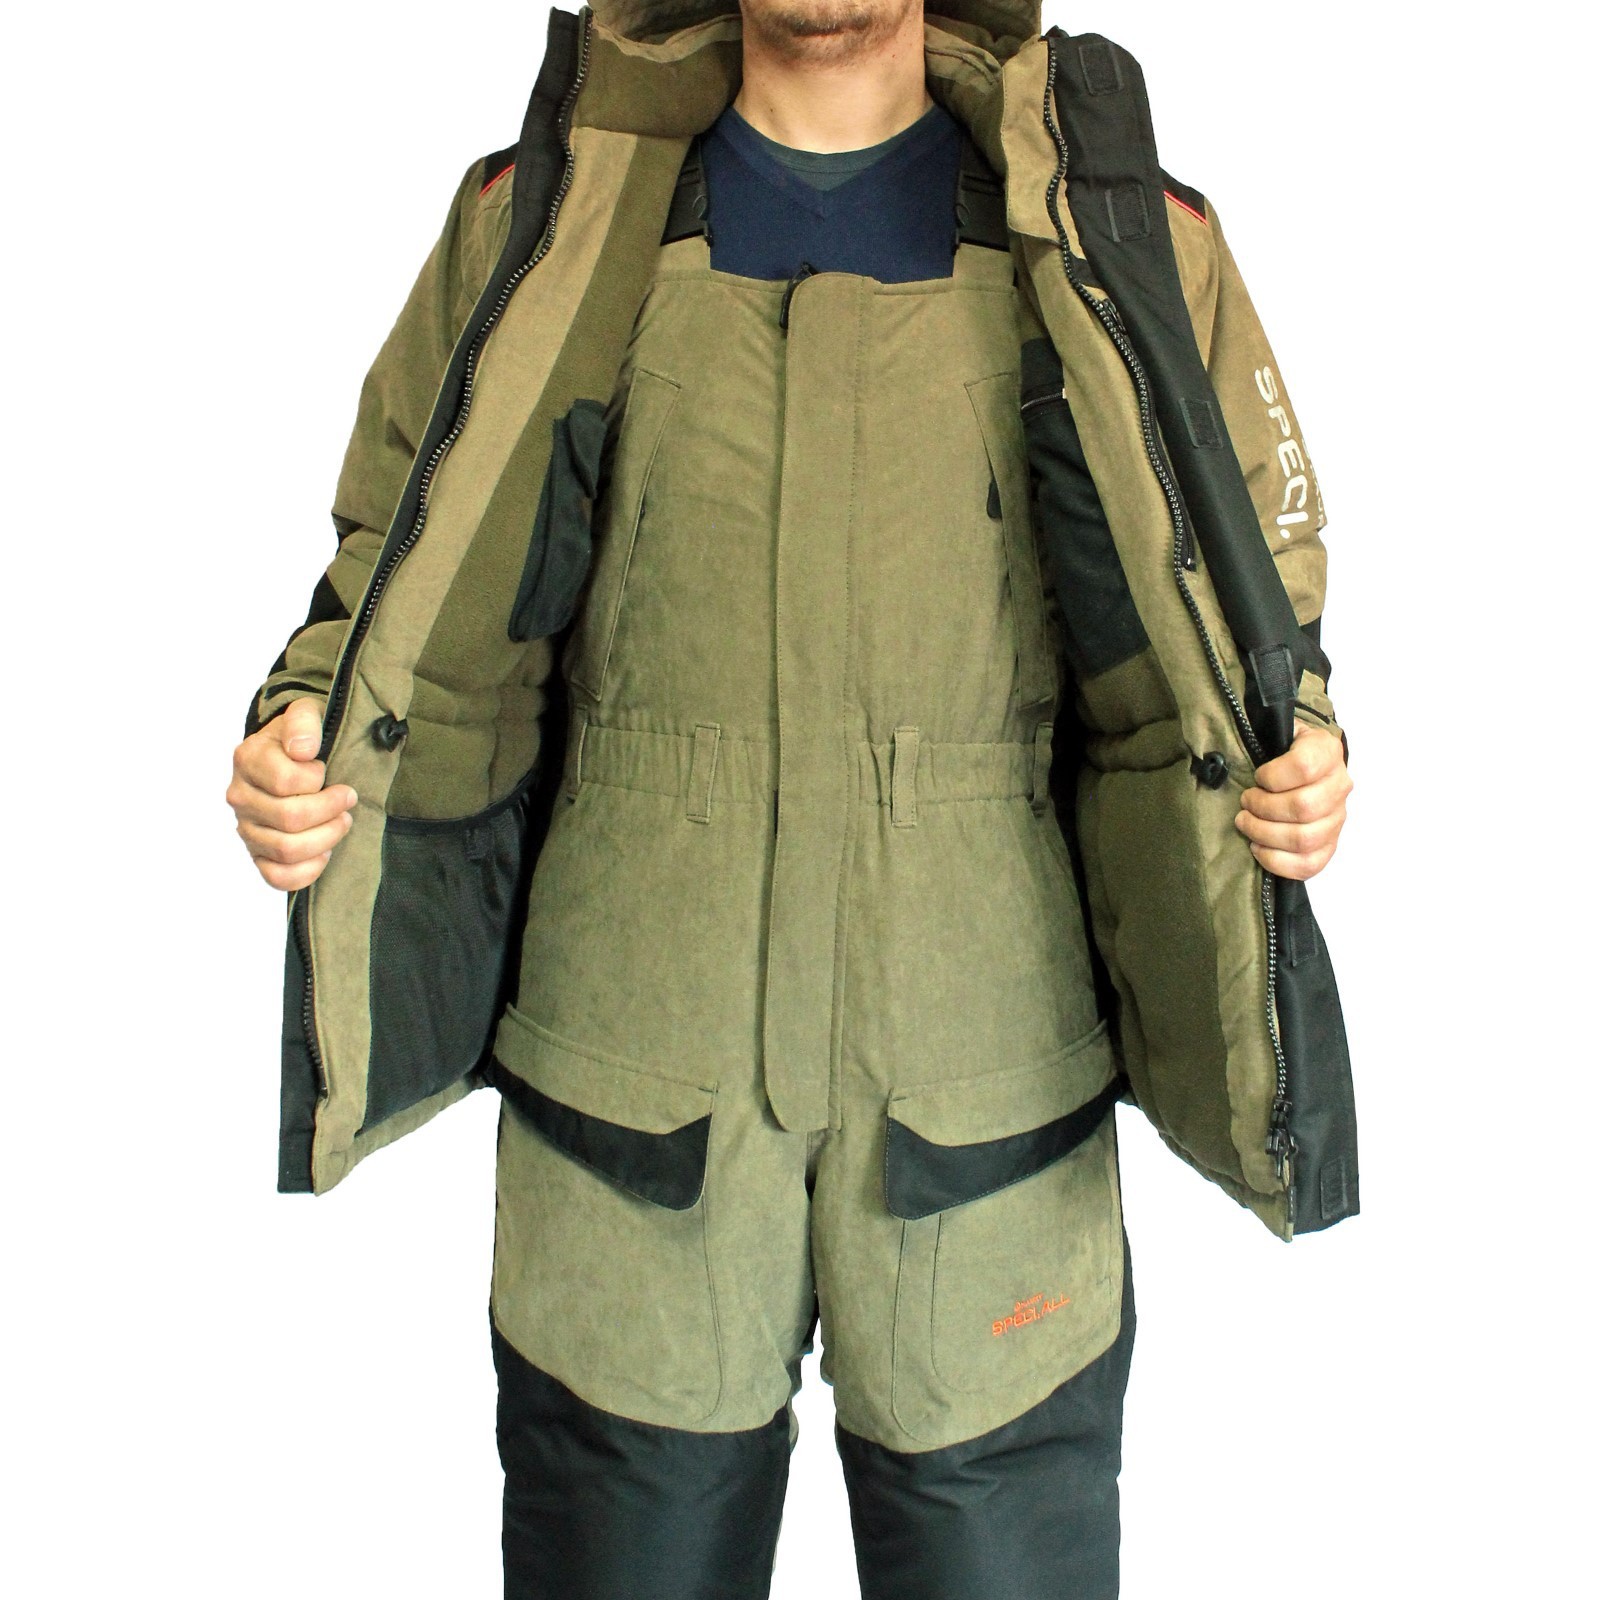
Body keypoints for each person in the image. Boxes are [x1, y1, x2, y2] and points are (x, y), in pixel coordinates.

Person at [225, 1, 1354, 1594]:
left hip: (986, 1083)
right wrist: (297, 724)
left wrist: (1304, 742)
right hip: (630, 1082)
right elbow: (390, 556)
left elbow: (1247, 586)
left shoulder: (1110, 231)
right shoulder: (555, 210)